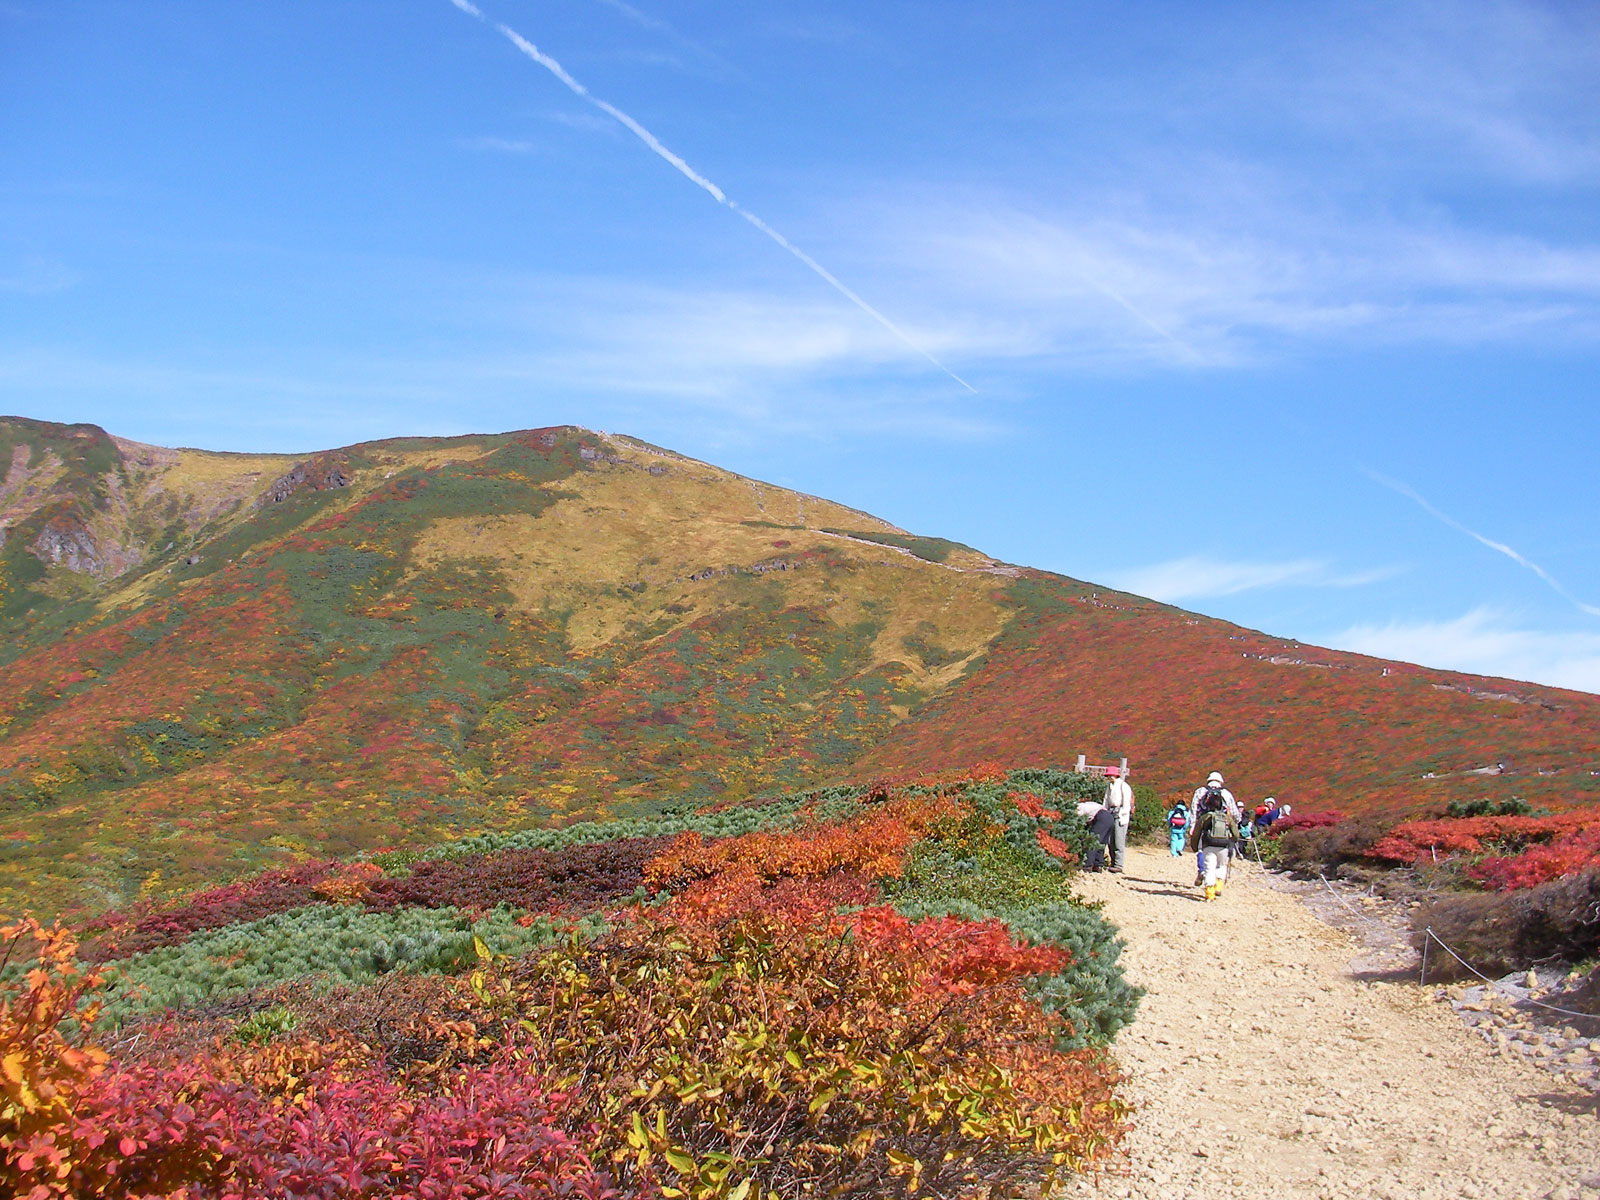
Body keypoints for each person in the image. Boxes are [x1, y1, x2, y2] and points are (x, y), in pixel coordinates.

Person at [1189, 792, 1239, 901]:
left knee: (1209, 868)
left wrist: (1195, 847)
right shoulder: (1227, 818)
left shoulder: (1205, 817)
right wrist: (1231, 841)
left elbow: (1196, 834)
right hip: (1223, 846)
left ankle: (1210, 893)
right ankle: (1219, 886)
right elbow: (1236, 834)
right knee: (1221, 866)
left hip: (1209, 845)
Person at [1189, 771, 1237, 884]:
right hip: (1222, 827)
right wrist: (1233, 824)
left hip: (1203, 825)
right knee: (1220, 855)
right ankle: (1218, 878)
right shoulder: (1226, 793)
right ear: (1221, 781)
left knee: (1201, 850)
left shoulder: (1200, 791)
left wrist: (1193, 825)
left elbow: (1193, 810)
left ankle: (1202, 870)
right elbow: (1235, 813)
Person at [1103, 766, 1135, 874]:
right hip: (1110, 812)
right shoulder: (1109, 786)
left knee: (1118, 839)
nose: (1110, 777)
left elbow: (1126, 802)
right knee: (1110, 840)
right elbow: (1106, 800)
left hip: (1120, 813)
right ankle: (1113, 862)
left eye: (1111, 775)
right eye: (1108, 776)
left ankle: (1118, 864)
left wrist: (1123, 813)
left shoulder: (1123, 785)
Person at [1076, 797, 1117, 872]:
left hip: (1102, 817)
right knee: (1101, 842)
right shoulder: (1087, 805)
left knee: (1092, 841)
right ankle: (1098, 865)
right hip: (1110, 817)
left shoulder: (1078, 808)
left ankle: (1087, 865)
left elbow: (1077, 822)